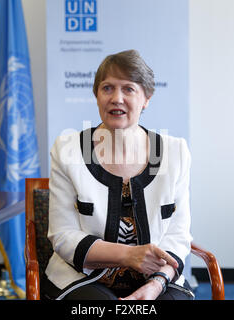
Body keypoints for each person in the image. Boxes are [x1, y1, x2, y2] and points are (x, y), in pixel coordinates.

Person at [42, 50, 193, 300]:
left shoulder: (174, 152)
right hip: (81, 277)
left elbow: (178, 235)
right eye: (107, 88)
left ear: (147, 98)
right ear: (97, 95)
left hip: (157, 278)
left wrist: (156, 284)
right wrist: (128, 256)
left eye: (129, 89)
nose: (116, 98)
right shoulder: (68, 150)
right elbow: (63, 236)